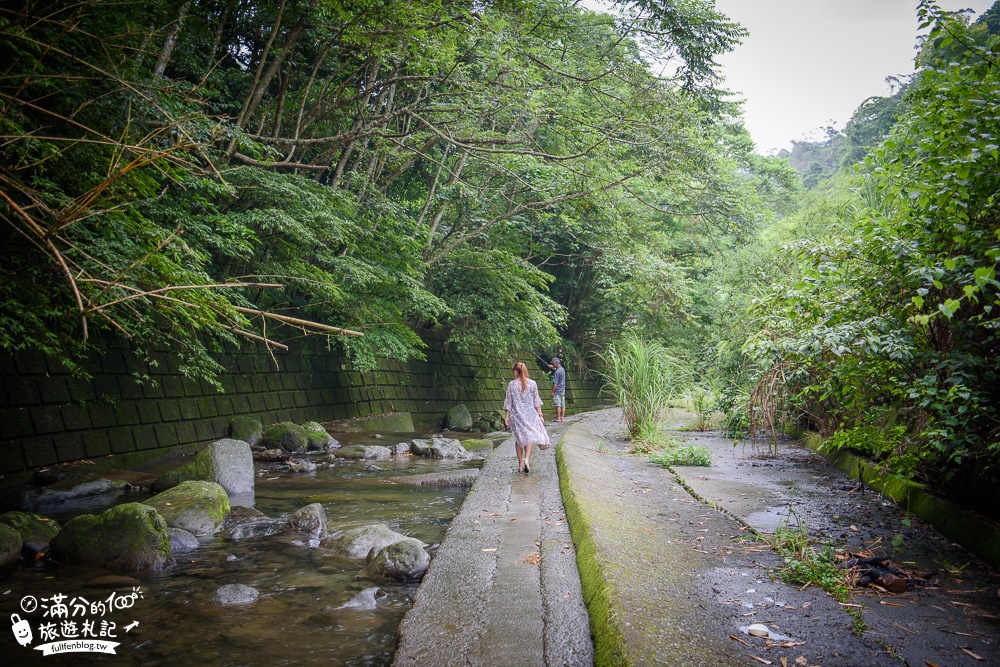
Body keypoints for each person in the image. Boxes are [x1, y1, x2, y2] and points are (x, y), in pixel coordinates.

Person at [503, 362, 550, 473]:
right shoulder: (533, 384)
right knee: (528, 437)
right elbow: (536, 401)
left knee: (519, 439)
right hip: (530, 415)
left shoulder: (511, 384)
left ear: (515, 371)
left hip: (517, 416)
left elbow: (509, 402)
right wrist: (540, 415)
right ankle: (527, 459)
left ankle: (520, 464)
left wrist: (507, 416)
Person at [549, 357, 566, 422]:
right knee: (563, 404)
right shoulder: (562, 369)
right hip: (563, 389)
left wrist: (553, 391)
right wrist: (553, 368)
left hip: (557, 390)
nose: (552, 364)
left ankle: (558, 418)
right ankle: (562, 418)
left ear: (556, 364)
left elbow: (555, 383)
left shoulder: (556, 372)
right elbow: (557, 369)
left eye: (553, 364)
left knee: (558, 404)